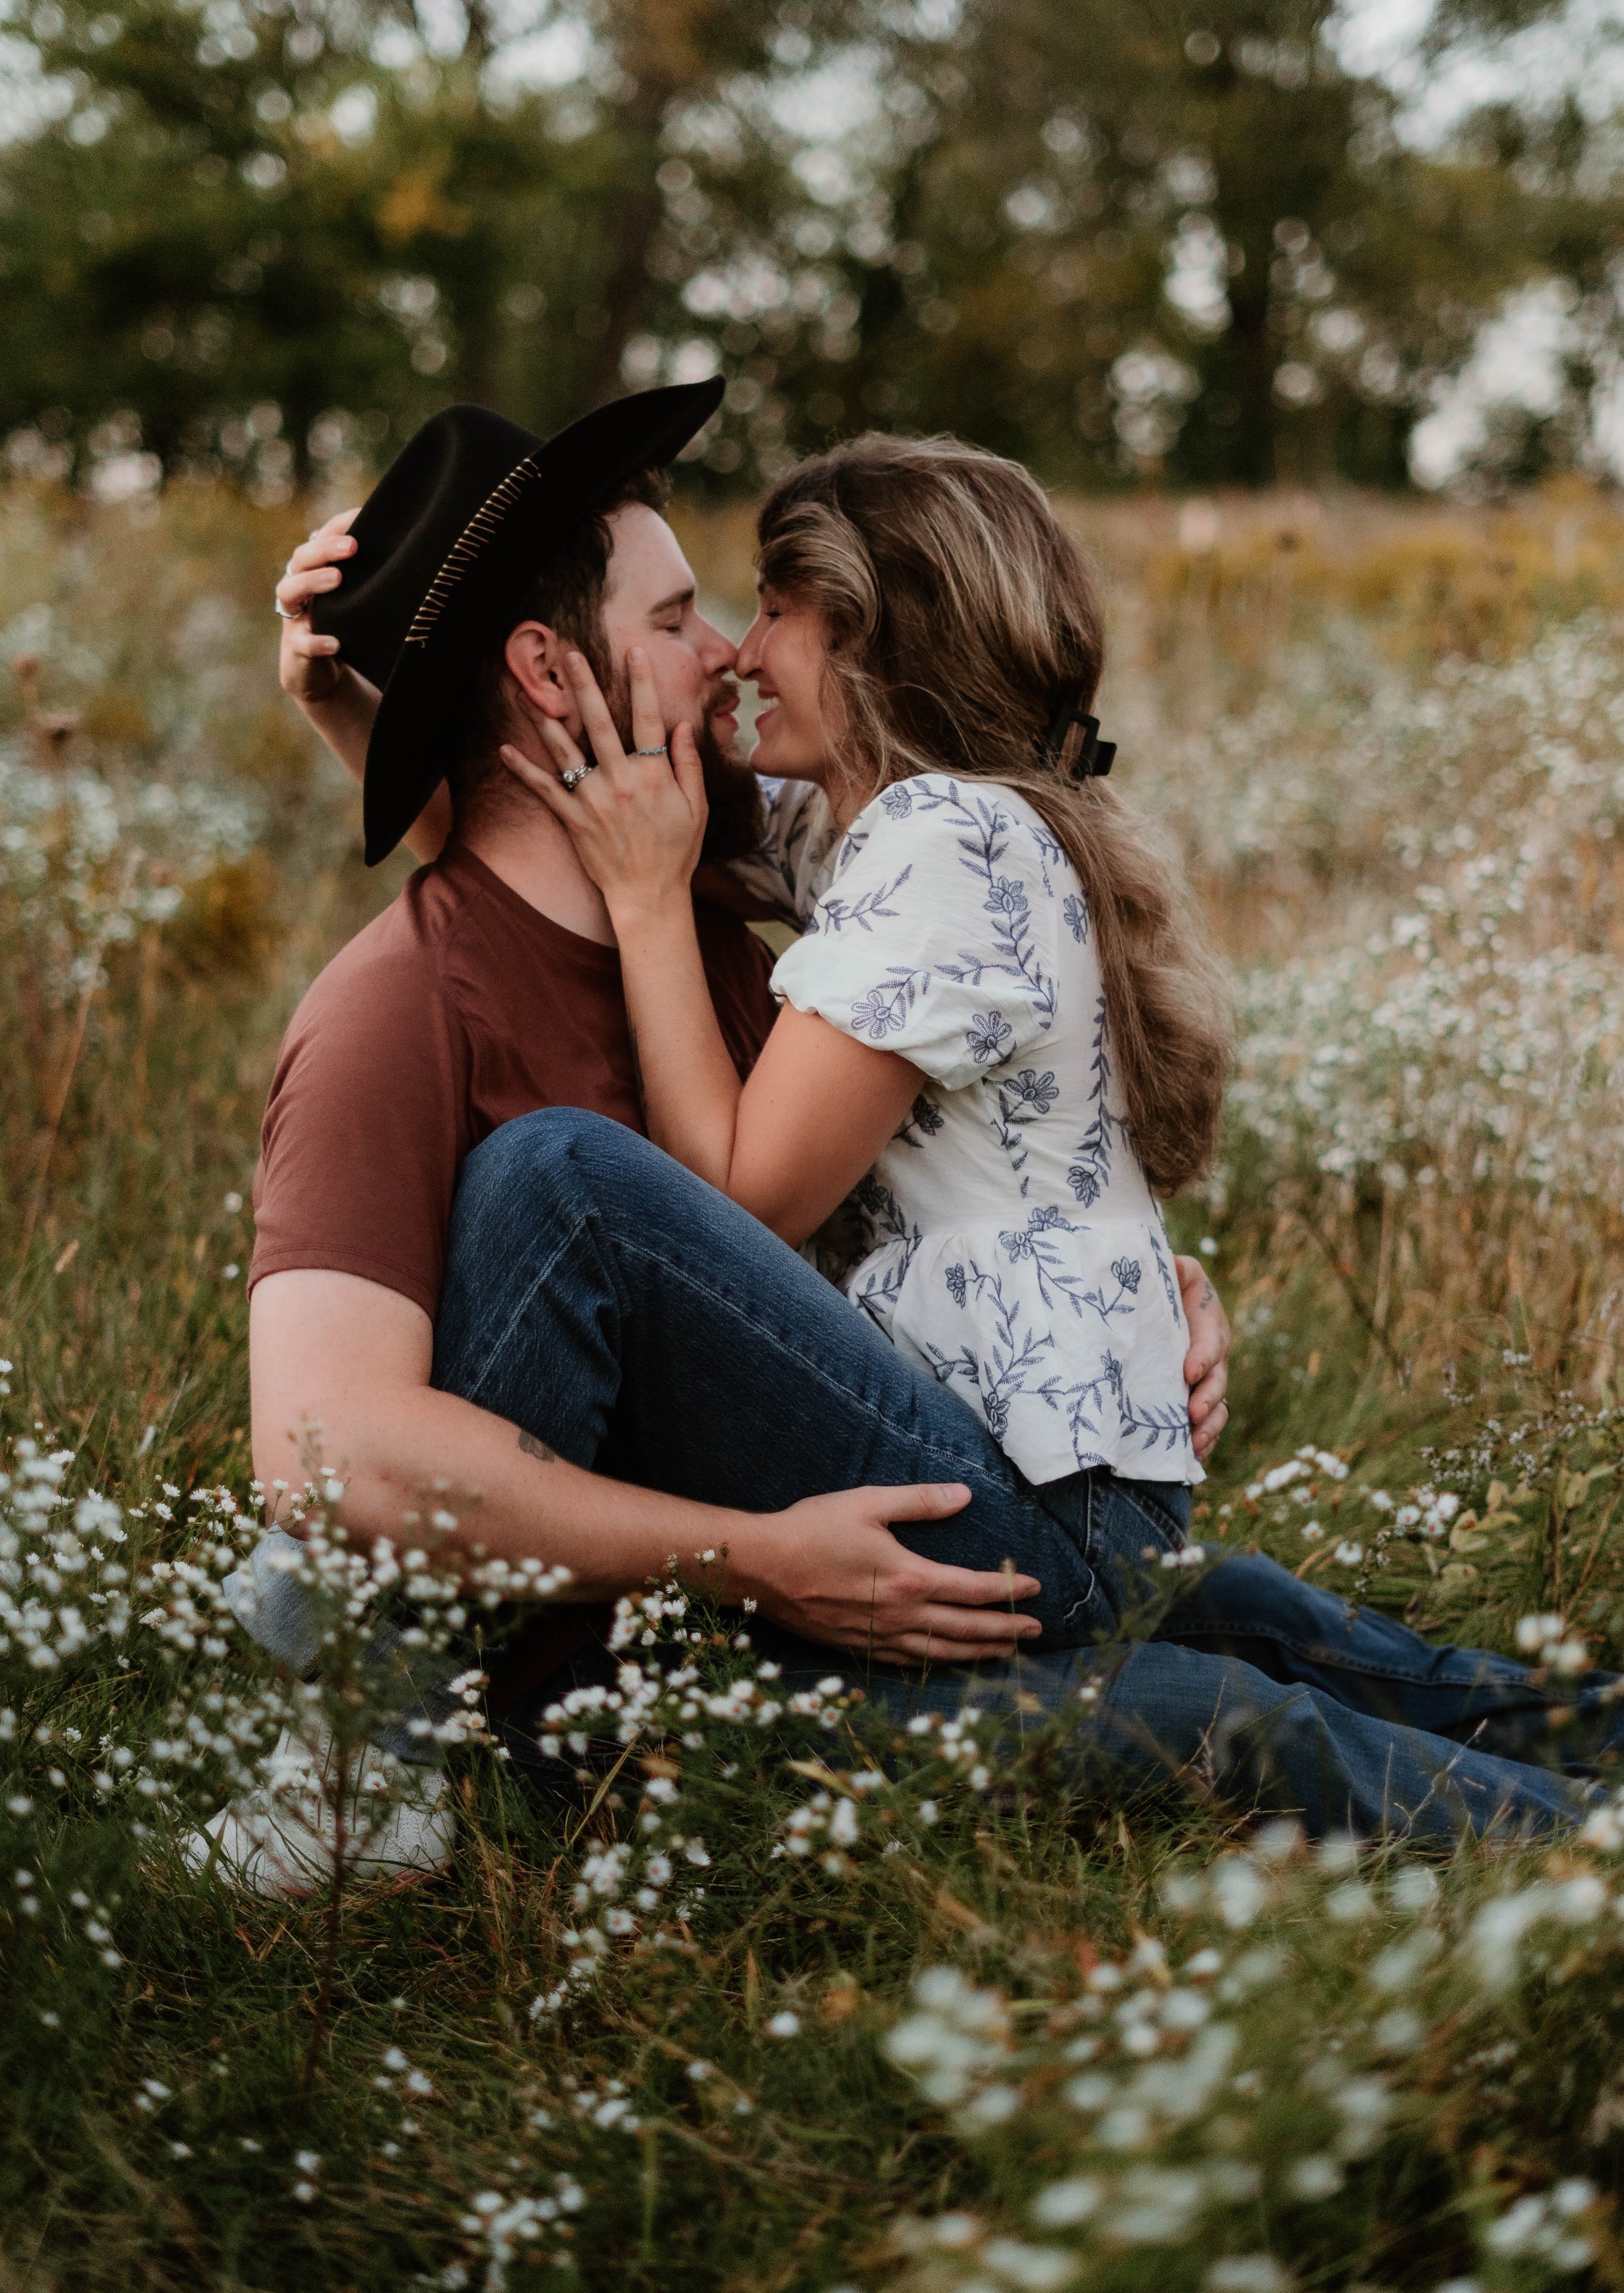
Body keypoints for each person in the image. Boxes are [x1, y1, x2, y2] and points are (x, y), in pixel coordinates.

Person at [222, 385, 1623, 1889]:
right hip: (663, 1681)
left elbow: (903, 1125)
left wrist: (1126, 1287)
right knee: (1221, 1704)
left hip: (867, 1540)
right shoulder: (399, 1010)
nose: (723, 655)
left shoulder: (718, 904)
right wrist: (754, 1556)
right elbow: (328, 1457)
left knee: (1242, 1608)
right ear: (550, 674)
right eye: (690, 611)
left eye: (754, 609)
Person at [502, 434, 1231, 1641]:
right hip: (1059, 1476)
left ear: (874, 644)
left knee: (567, 1180)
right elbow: (542, 817)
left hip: (1046, 1504)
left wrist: (644, 904)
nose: (739, 651)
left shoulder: (943, 834)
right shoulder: (884, 822)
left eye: (779, 610)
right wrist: (347, 698)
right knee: (1264, 1643)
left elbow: (743, 1198)